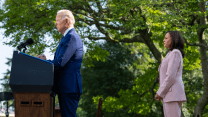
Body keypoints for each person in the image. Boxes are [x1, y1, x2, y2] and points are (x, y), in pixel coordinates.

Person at [37, 9, 83, 117]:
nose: (55, 23)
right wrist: (46, 61)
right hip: (66, 87)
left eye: (57, 20)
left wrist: (44, 62)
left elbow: (60, 62)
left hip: (69, 87)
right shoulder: (66, 37)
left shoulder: (71, 37)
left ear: (66, 21)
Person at [155, 31, 186, 117]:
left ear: (173, 40)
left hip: (172, 94)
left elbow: (171, 76)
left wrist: (160, 92)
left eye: (166, 38)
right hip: (169, 95)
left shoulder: (175, 53)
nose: (163, 40)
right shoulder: (169, 54)